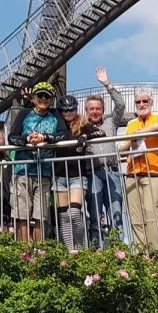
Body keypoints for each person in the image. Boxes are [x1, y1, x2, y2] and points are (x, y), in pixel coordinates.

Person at [8, 82, 68, 243]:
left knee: (41, 214)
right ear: (33, 98)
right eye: (39, 95)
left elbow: (63, 134)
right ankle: (25, 250)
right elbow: (12, 137)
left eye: (47, 96)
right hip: (23, 170)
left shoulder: (55, 115)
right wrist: (27, 139)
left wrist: (44, 138)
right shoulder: (24, 114)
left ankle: (40, 252)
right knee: (22, 213)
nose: (43, 98)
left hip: (44, 172)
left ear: (51, 99)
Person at [118, 88, 158, 252]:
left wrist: (141, 133)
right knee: (136, 218)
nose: (141, 104)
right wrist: (131, 140)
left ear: (151, 102)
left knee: (151, 213)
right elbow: (123, 148)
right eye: (138, 102)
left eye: (144, 101)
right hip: (132, 172)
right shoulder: (130, 123)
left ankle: (155, 254)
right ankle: (142, 256)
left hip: (153, 171)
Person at [84, 67, 128, 245]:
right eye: (91, 109)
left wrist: (107, 84)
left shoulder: (110, 121)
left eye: (98, 108)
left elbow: (121, 105)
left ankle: (118, 253)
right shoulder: (82, 126)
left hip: (112, 173)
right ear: (87, 111)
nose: (95, 111)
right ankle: (96, 253)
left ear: (102, 110)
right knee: (95, 217)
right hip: (92, 174)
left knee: (116, 214)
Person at [53, 95, 96, 251]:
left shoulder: (83, 124)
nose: (69, 112)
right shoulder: (56, 125)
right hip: (59, 175)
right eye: (65, 110)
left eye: (72, 109)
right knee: (64, 216)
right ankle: (70, 250)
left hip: (77, 174)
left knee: (74, 213)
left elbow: (100, 133)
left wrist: (85, 136)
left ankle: (79, 247)